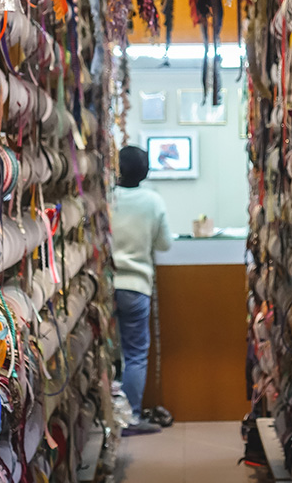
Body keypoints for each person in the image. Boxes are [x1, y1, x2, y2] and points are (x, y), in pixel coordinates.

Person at [110, 145, 172, 436]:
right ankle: (130, 417)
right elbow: (164, 245)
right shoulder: (153, 201)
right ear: (145, 171)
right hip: (136, 287)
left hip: (105, 286)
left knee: (110, 353)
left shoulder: (108, 197)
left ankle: (108, 416)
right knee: (135, 354)